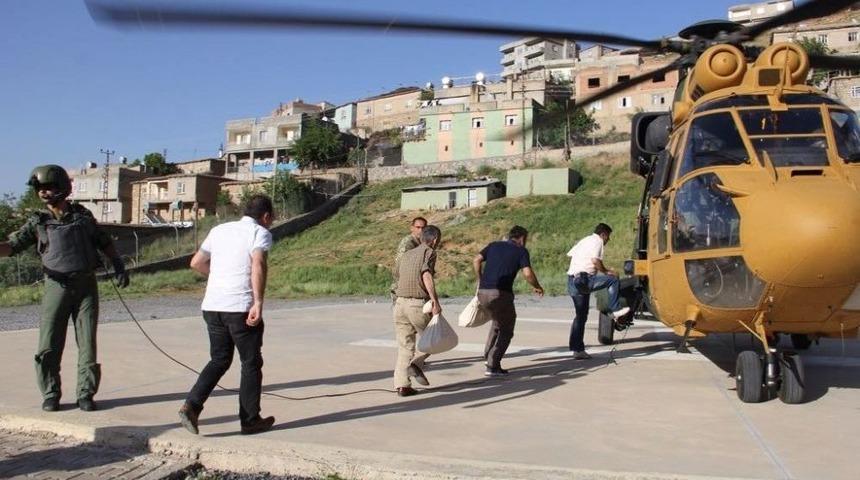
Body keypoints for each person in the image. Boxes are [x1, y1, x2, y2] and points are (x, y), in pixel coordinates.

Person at [0, 165, 129, 412]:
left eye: (50, 188)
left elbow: (103, 241)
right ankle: (50, 393)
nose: (45, 193)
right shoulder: (38, 222)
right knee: (49, 343)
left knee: (87, 344)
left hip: (85, 287)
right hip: (55, 286)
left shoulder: (83, 216)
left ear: (63, 189)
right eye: (41, 189)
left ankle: (85, 394)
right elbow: (12, 246)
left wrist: (118, 263)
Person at [178, 194, 276, 435]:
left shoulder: (219, 230)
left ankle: (192, 405)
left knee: (219, 359)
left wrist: (221, 277)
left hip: (212, 306)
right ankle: (250, 420)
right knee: (250, 362)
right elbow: (258, 264)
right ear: (265, 216)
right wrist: (258, 302)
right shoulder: (259, 232)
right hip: (239, 307)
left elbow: (196, 262)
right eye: (270, 218)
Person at [473, 226, 543, 377]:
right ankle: (493, 365)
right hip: (500, 294)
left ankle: (488, 356)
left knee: (497, 322)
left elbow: (476, 260)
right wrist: (537, 286)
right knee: (507, 328)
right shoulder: (521, 251)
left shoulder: (493, 245)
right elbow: (528, 273)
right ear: (522, 238)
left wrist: (480, 279)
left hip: (483, 292)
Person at [565, 223, 631, 360]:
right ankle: (615, 310)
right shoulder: (598, 241)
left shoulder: (584, 240)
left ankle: (577, 350)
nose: (608, 240)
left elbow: (571, 255)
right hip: (584, 279)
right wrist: (607, 271)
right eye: (608, 237)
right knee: (613, 279)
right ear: (603, 234)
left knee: (580, 316)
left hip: (572, 280)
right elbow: (595, 261)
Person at [392, 225, 442, 397]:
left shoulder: (405, 255)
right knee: (435, 339)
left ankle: (402, 386)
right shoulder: (429, 252)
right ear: (434, 240)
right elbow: (426, 275)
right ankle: (415, 364)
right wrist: (435, 301)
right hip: (416, 304)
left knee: (405, 347)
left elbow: (396, 276)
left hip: (399, 304)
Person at [390, 217, 427, 300]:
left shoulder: (420, 243)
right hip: (403, 288)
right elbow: (399, 265)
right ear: (412, 228)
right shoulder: (408, 243)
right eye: (418, 227)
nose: (421, 230)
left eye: (423, 228)